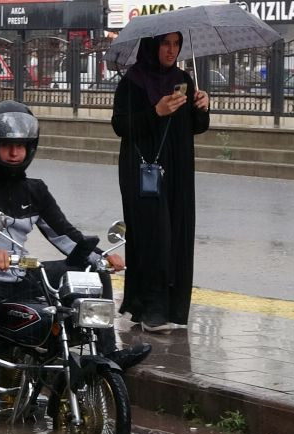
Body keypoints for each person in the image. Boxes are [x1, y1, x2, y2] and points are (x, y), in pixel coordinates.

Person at [0, 101, 152, 413]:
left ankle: (108, 352)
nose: (15, 153)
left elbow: (64, 233)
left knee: (90, 271)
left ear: (31, 148)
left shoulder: (35, 190)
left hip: (19, 276)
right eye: (7, 146)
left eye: (21, 146)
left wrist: (101, 257)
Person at [111, 32, 210, 332]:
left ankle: (172, 309)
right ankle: (151, 309)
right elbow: (120, 125)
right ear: (152, 46)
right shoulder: (134, 81)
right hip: (143, 170)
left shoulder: (183, 79)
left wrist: (202, 107)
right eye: (165, 44)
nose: (171, 50)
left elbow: (194, 127)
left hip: (177, 170)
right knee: (154, 235)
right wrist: (156, 111)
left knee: (177, 234)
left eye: (176, 44)